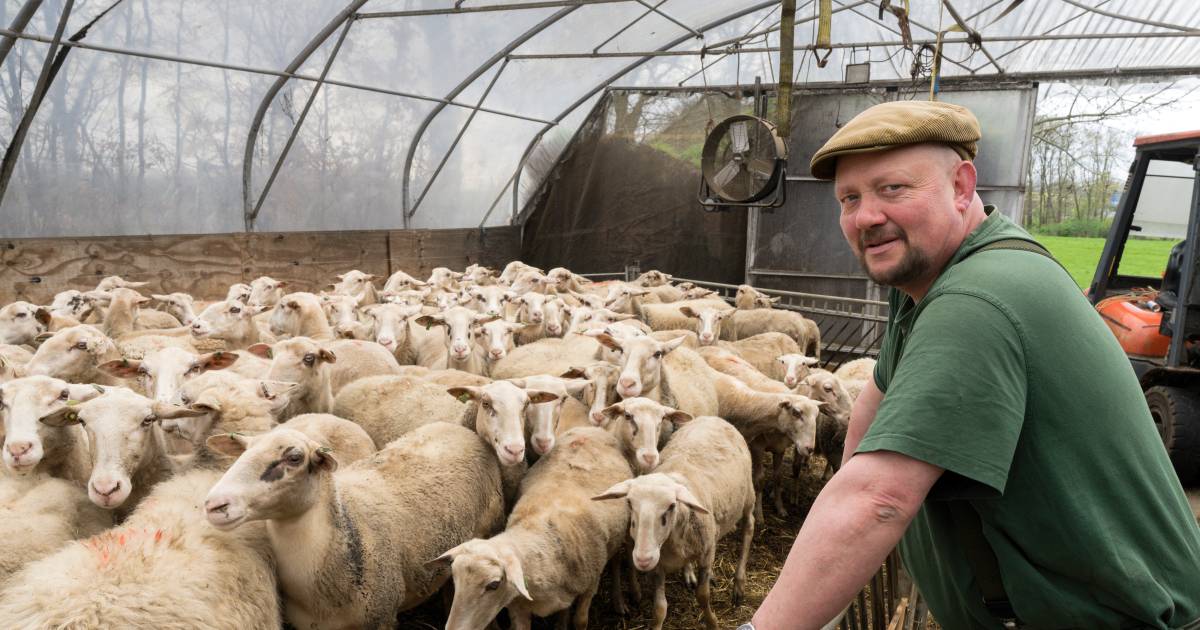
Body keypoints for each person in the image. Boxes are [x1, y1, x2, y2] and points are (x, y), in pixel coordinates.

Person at [740, 100, 1200, 630]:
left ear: (961, 187)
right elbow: (868, 427)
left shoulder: (978, 299)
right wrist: (832, 552)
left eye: (893, 189)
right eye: (850, 198)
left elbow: (879, 496)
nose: (867, 216)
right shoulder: (931, 280)